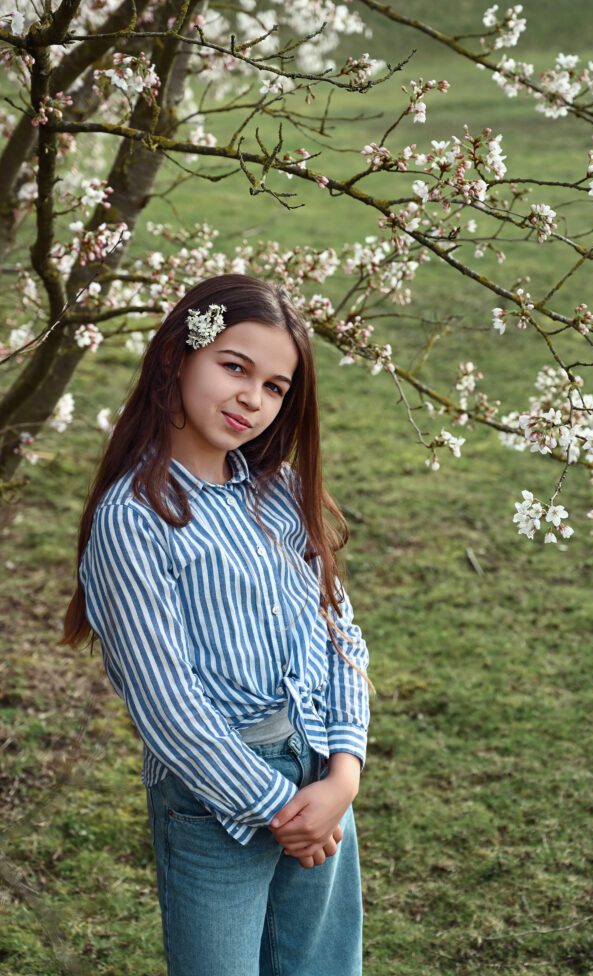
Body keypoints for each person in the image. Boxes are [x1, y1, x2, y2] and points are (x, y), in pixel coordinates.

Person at [62, 274, 371, 976]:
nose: (251, 399)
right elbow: (167, 705)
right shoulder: (134, 521)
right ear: (177, 356)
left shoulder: (280, 490)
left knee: (322, 966)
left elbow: (337, 629)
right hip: (215, 802)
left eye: (274, 387)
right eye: (234, 367)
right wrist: (278, 809)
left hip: (320, 770)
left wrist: (342, 777)